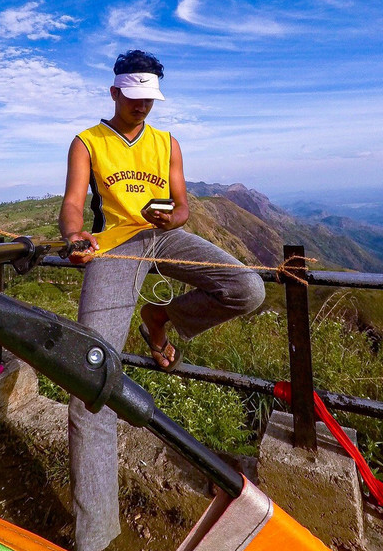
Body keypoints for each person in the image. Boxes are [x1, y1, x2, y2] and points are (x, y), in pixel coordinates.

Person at [59, 49, 265, 551]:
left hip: (162, 237)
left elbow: (183, 204)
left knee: (247, 288)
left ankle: (161, 314)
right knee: (92, 382)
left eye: (149, 99)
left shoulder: (168, 142)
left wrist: (174, 219)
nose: (142, 108)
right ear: (114, 92)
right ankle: (96, 537)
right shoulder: (87, 142)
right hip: (114, 247)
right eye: (133, 98)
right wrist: (73, 237)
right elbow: (71, 201)